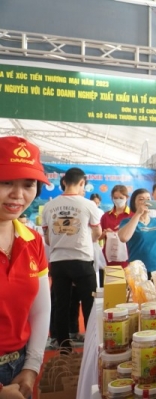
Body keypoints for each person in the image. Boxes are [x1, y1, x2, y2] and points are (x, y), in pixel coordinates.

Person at [0, 136, 52, 399]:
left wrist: (32, 366)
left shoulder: (33, 241)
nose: (18, 195)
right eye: (6, 182)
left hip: (20, 368)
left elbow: (40, 309)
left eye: (28, 184)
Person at [42, 167, 101, 351]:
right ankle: (92, 343)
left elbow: (47, 238)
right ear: (82, 183)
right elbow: (97, 232)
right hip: (82, 260)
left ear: (64, 182)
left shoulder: (49, 206)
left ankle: (63, 344)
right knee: (89, 303)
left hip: (58, 261)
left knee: (61, 304)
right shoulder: (88, 205)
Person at [99, 185, 131, 281]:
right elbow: (98, 237)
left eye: (121, 198)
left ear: (127, 198)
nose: (118, 200)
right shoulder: (106, 216)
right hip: (110, 259)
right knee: (113, 289)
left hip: (128, 259)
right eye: (115, 198)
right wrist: (104, 233)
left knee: (129, 290)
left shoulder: (132, 216)